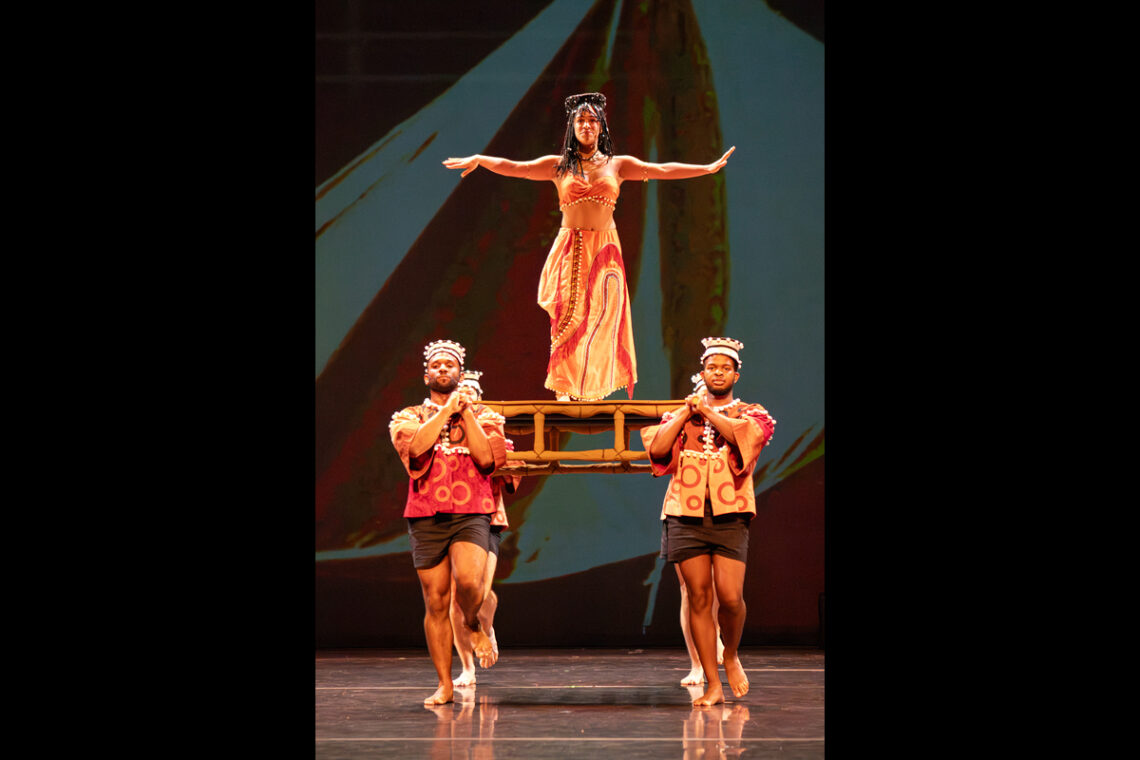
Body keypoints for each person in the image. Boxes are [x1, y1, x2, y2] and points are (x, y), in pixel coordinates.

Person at [443, 92, 735, 401]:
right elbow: (517, 167)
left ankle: (592, 387)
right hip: (571, 245)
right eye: (580, 121)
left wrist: (706, 169)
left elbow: (662, 170)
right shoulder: (558, 166)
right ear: (572, 127)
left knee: (603, 315)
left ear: (601, 128)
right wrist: (481, 160)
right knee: (568, 314)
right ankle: (565, 386)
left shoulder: (617, 165)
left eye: (592, 121)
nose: (586, 126)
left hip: (605, 248)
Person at [641, 338, 777, 706]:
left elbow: (743, 440)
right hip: (684, 515)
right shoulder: (681, 414)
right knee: (698, 597)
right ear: (701, 373)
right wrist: (687, 413)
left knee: (730, 598)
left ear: (736, 373)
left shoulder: (752, 412)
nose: (717, 373)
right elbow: (656, 451)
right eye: (711, 368)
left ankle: (729, 654)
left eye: (724, 368)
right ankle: (713, 683)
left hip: (730, 514)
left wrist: (710, 412)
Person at [389, 340, 509, 705]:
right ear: (427, 375)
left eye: (450, 365)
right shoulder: (407, 416)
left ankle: (473, 624)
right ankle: (444, 684)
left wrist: (466, 412)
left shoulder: (486, 416)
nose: (443, 369)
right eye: (437, 365)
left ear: (459, 374)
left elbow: (488, 458)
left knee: (470, 583)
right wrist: (444, 412)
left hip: (471, 510)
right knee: (436, 603)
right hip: (426, 514)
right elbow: (415, 450)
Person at [449, 370, 522, 687]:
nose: (466, 394)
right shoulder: (442, 430)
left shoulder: (490, 428)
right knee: (455, 598)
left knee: (478, 593)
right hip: (448, 517)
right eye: (461, 389)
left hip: (485, 517)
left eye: (472, 391)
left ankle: (485, 627)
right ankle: (467, 667)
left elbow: (507, 470)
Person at [677, 373, 725, 686]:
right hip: (684, 510)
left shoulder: (727, 423)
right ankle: (696, 664)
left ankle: (720, 641)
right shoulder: (682, 424)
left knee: (720, 591)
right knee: (690, 593)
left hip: (720, 512)